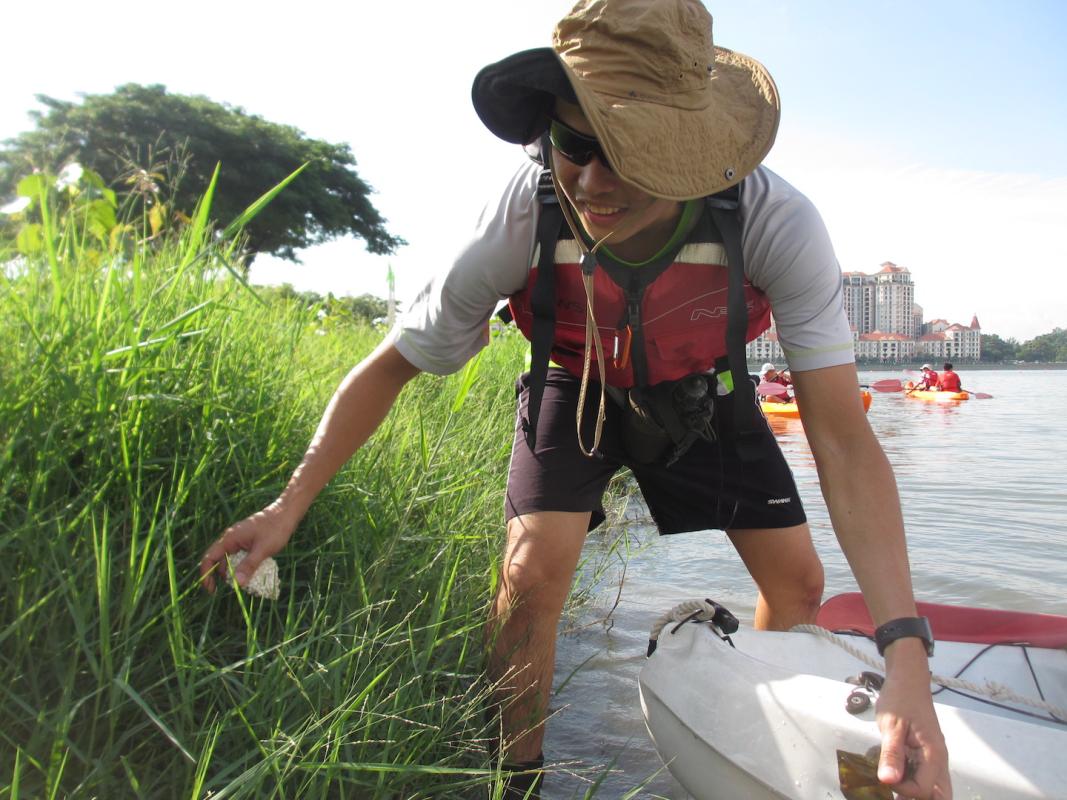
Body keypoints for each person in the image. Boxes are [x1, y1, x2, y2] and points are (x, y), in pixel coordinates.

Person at [199, 1, 950, 797]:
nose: (589, 183)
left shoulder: (773, 219)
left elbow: (838, 436)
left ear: (689, 152)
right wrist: (287, 508)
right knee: (528, 581)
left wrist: (903, 649)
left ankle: (752, 723)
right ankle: (515, 779)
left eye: (624, 155)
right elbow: (390, 367)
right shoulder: (518, 215)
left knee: (797, 585)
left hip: (701, 396)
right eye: (572, 144)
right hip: (571, 383)